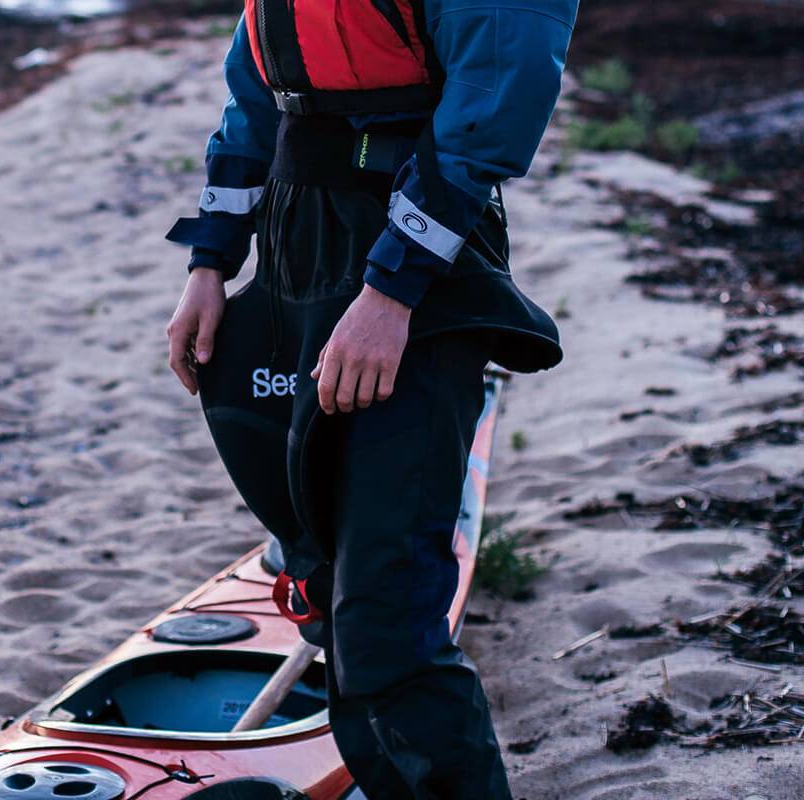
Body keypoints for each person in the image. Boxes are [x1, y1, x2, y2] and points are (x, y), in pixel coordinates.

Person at [164, 2, 578, 798]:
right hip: (295, 250)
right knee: (326, 589)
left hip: (414, 253)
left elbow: (501, 90)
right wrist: (210, 262)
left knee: (386, 625)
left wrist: (392, 291)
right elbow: (259, 86)